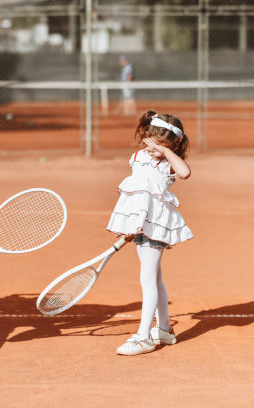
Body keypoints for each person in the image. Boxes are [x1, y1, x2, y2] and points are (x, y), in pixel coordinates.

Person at [106, 110, 193, 356]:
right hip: (141, 225)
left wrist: (166, 152)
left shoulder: (168, 164)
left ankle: (144, 337)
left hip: (158, 226)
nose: (155, 151)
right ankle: (164, 330)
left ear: (174, 145)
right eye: (154, 145)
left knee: (146, 280)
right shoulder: (136, 158)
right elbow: (136, 195)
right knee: (154, 278)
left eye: (162, 147)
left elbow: (185, 173)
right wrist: (129, 227)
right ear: (146, 136)